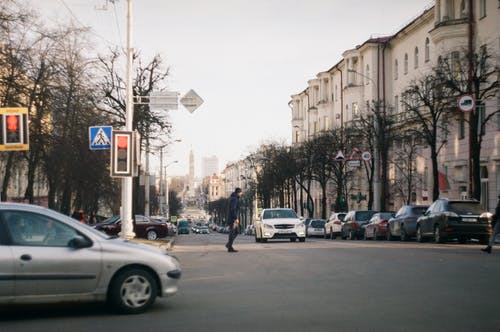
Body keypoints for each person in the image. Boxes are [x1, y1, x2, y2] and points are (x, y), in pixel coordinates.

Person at [225, 187, 243, 253]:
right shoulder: (234, 199)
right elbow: (233, 209)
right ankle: (229, 247)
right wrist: (236, 218)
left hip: (231, 218)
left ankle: (229, 245)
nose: (241, 194)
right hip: (232, 219)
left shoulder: (233, 198)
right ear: (238, 192)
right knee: (233, 232)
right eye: (241, 192)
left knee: (235, 232)